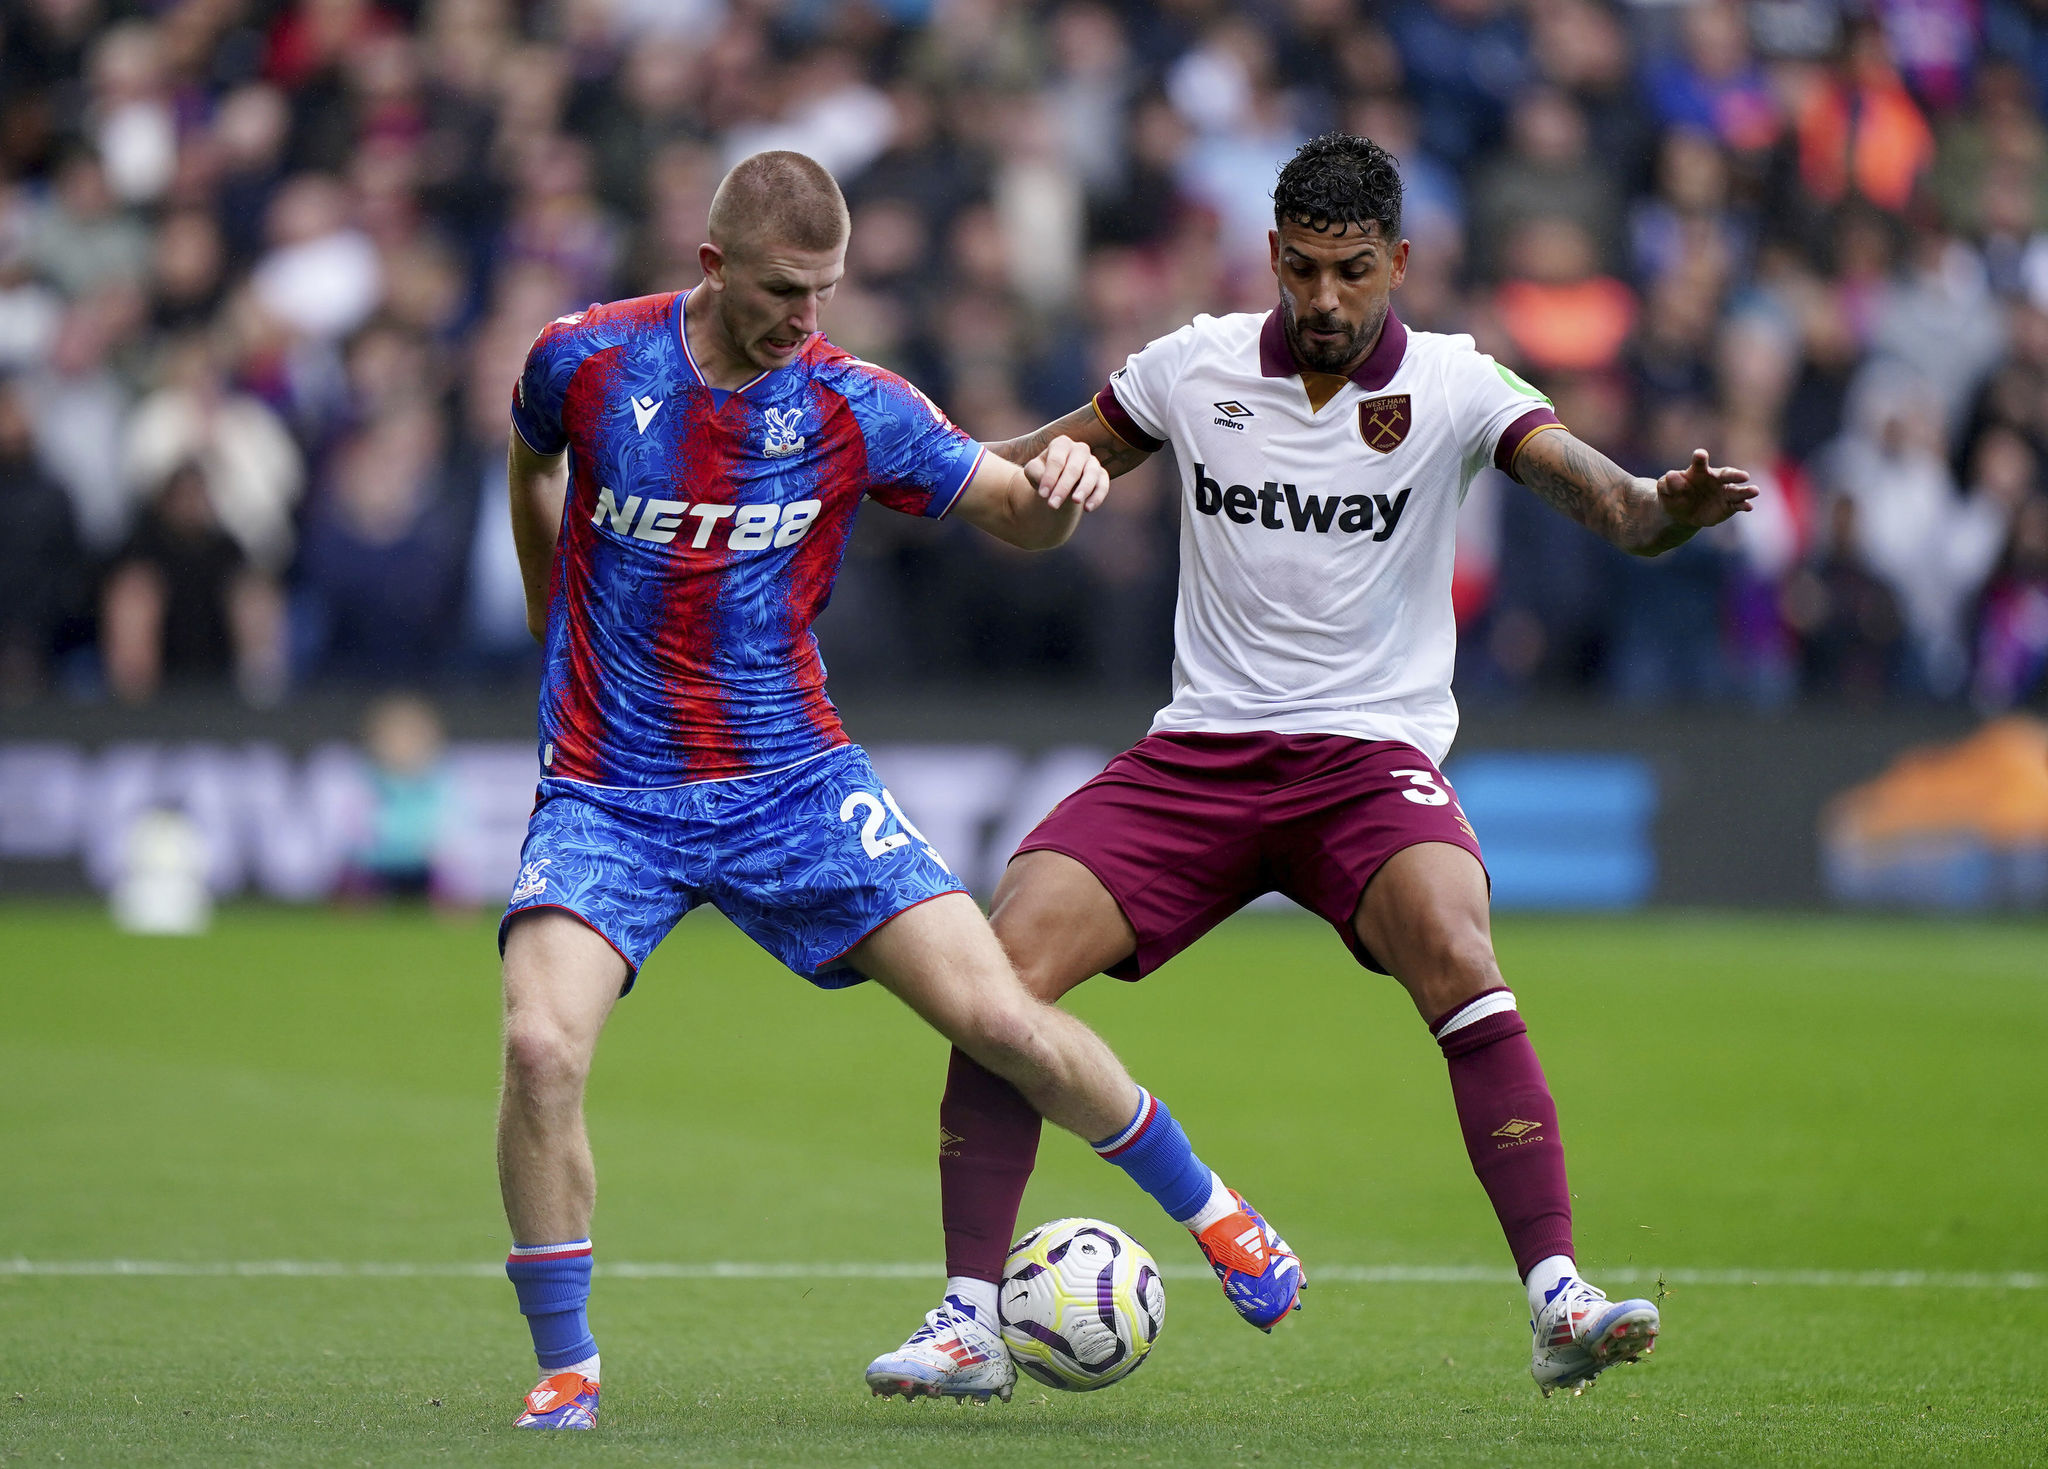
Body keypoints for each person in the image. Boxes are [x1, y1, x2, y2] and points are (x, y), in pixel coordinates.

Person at [869, 133, 1756, 1400]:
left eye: (1349, 271)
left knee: (1457, 950)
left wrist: (1669, 504)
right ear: (1270, 257)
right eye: (1299, 270)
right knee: (999, 968)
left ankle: (1557, 1294)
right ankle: (964, 1318)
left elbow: (1614, 509)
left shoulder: (1455, 383)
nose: (1323, 300)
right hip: (1201, 753)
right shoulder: (1192, 366)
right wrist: (1000, 470)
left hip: (1365, 757)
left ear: (1397, 261)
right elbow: (1012, 477)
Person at [494, 150, 1301, 1431]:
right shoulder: (583, 359)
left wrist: (1068, 488)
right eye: (781, 290)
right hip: (608, 787)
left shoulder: (849, 401)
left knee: (1001, 1014)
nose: (806, 318)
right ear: (711, 267)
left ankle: (1220, 1215)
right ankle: (568, 1366)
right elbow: (532, 461)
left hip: (794, 784)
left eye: (824, 290)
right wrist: (554, 623)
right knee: (539, 1048)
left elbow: (1009, 507)